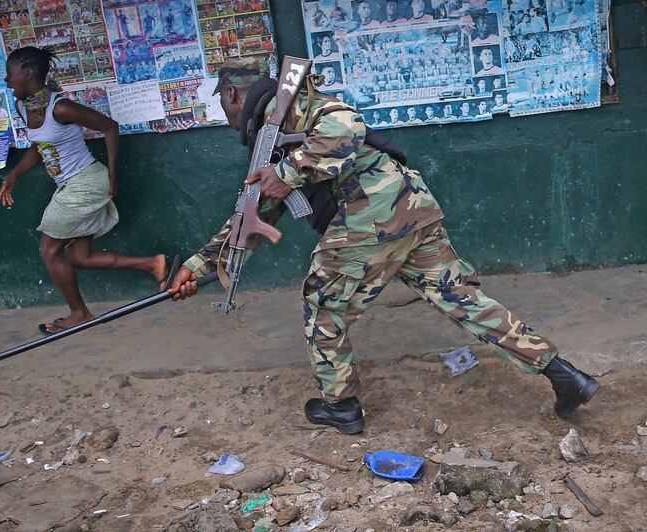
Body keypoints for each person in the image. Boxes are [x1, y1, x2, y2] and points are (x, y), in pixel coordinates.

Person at [169, 58, 600, 433]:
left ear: (230, 94)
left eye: (220, 101)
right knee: (462, 299)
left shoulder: (297, 107)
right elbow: (257, 213)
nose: (222, 111)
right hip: (408, 211)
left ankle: (339, 406)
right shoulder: (269, 134)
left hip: (371, 217)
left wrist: (289, 172)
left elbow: (346, 125)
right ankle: (563, 375)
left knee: (323, 306)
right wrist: (200, 266)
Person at [0, 47, 171, 335]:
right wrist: (14, 175)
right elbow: (41, 148)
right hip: (69, 186)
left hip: (86, 183)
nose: (7, 80)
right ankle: (154, 264)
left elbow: (110, 127)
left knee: (49, 251)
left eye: (10, 74)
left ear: (27, 74)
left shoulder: (61, 108)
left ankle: (79, 313)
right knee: (79, 256)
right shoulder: (22, 107)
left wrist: (113, 174)